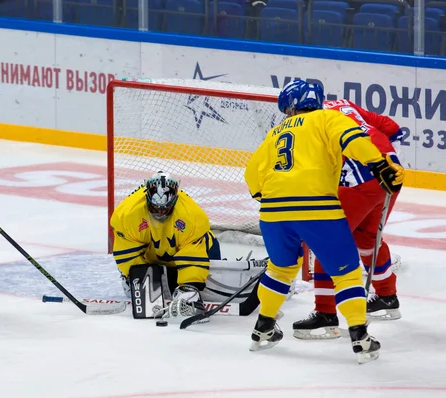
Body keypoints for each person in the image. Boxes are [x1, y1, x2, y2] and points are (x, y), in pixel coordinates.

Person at [244, 80, 404, 364]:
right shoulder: (328, 116)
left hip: (273, 212)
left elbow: (252, 176)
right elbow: (354, 141)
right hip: (318, 208)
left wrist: (271, 199)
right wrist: (380, 165)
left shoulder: (275, 132)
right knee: (346, 271)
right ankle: (360, 337)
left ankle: (263, 329)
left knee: (280, 269)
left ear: (291, 106)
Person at [293, 99, 403, 340]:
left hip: (360, 179)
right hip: (392, 174)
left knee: (326, 241)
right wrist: (383, 157)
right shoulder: (341, 104)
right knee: (367, 238)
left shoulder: (311, 122)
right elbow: (393, 128)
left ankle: (325, 314)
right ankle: (387, 297)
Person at [110, 171, 221, 319]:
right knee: (134, 275)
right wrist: (136, 277)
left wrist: (189, 287)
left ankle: (188, 283)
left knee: (210, 255)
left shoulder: (191, 216)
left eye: (165, 209)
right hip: (152, 256)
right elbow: (126, 252)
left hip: (183, 251)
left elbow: (193, 252)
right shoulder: (128, 214)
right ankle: (128, 279)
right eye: (156, 209)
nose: (161, 213)